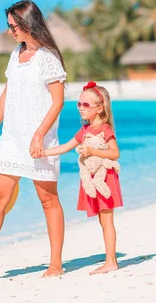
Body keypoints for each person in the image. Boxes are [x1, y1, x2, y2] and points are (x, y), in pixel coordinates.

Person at [0, 0, 67, 280]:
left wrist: (39, 135)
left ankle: (55, 263)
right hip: (12, 139)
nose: (9, 31)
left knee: (48, 200)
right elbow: (7, 95)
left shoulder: (48, 58)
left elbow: (58, 102)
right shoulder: (15, 55)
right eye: (8, 26)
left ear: (27, 23)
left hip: (39, 141)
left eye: (12, 26)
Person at [43, 81, 123, 274]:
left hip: (105, 178)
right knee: (102, 221)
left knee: (107, 221)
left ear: (100, 108)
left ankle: (111, 261)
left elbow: (115, 153)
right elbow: (65, 146)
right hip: (91, 178)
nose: (80, 108)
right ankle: (110, 259)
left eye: (86, 105)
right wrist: (43, 153)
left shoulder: (105, 130)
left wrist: (92, 150)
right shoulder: (85, 130)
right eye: (79, 104)